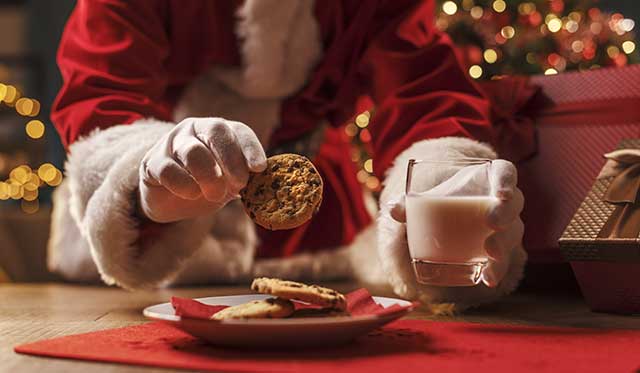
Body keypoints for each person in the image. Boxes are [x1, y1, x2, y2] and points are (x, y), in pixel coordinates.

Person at [48, 0, 525, 310]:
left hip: (319, 233)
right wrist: (146, 175)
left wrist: (442, 196)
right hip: (153, 240)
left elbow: (426, 91)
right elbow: (101, 92)